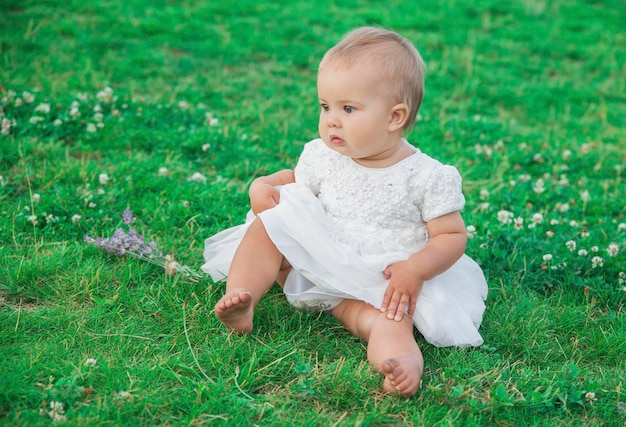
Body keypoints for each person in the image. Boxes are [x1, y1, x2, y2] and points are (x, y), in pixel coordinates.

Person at [202, 26, 488, 397]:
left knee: (388, 319)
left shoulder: (427, 176)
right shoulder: (324, 154)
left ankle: (402, 364)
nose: (331, 119)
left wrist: (415, 269)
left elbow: (451, 236)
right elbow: (293, 180)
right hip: (320, 257)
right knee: (269, 225)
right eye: (325, 107)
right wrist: (264, 185)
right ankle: (242, 298)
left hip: (380, 279)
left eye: (348, 109)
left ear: (394, 117)